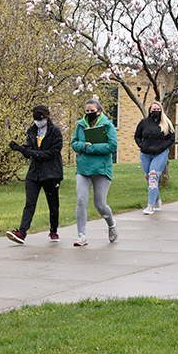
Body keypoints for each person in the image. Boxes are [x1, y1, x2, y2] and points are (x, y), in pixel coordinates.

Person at [6, 105, 64, 244]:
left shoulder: (55, 132)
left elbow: (52, 152)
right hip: (34, 174)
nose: (38, 121)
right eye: (36, 119)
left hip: (51, 173)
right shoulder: (32, 131)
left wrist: (31, 153)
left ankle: (53, 229)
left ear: (47, 117)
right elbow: (30, 150)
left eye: (41, 119)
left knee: (53, 204)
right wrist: (20, 149)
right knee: (29, 203)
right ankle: (22, 232)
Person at [70, 99, 118, 246]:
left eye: (92, 111)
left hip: (101, 169)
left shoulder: (108, 126)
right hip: (83, 169)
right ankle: (81, 235)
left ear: (99, 111)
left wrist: (92, 148)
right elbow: (74, 143)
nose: (89, 113)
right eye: (87, 111)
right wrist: (83, 146)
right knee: (81, 200)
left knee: (100, 204)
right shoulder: (80, 125)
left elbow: (112, 146)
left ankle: (111, 225)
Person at [134, 100, 176, 215]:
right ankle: (157, 201)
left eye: (158, 109)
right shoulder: (144, 123)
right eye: (154, 109)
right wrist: (142, 145)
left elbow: (171, 139)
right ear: (150, 110)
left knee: (153, 177)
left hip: (160, 154)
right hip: (145, 154)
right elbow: (137, 136)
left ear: (161, 110)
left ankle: (150, 206)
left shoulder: (166, 123)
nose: (156, 111)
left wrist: (161, 147)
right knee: (148, 178)